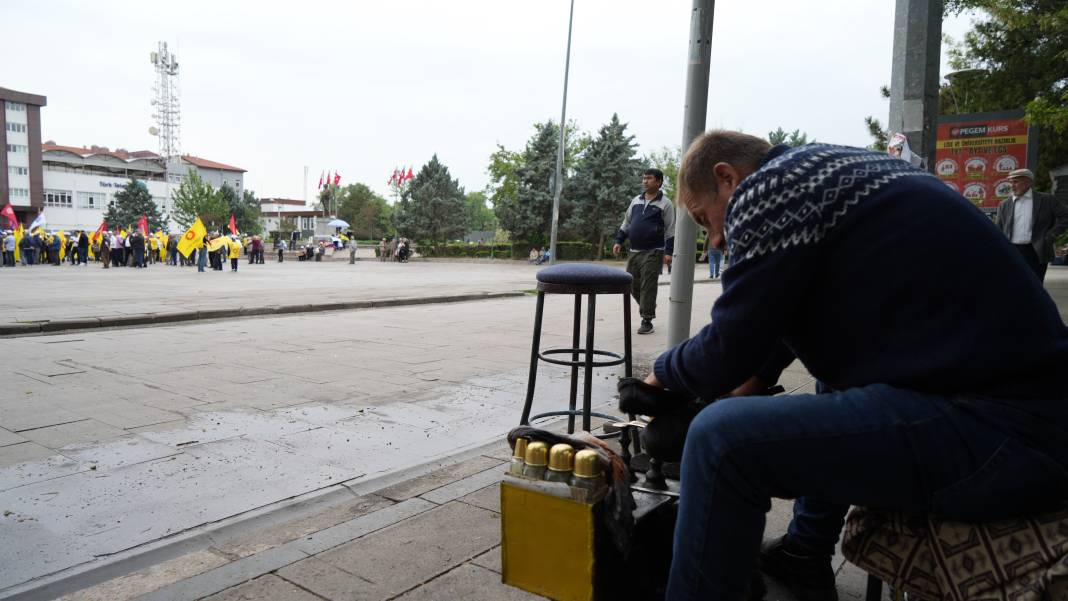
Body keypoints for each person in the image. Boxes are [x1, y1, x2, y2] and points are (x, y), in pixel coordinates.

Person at [626, 131, 1068, 601]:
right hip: (1032, 416)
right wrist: (748, 387)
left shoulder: (769, 187)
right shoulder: (833, 171)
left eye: (704, 218)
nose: (715, 236)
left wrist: (656, 382)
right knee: (831, 371)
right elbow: (785, 318)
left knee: (721, 441)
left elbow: (729, 344)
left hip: (1003, 433)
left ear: (727, 177)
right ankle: (804, 555)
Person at [612, 168, 676, 335]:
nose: (645, 181)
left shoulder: (665, 204)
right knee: (631, 284)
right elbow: (626, 223)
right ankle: (648, 305)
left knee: (648, 285)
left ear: (659, 182)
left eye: (649, 178)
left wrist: (669, 252)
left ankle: (647, 319)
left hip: (653, 251)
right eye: (644, 178)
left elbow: (671, 230)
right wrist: (619, 240)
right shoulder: (636, 201)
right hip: (635, 251)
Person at [994, 168, 1068, 282]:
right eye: (1011, 182)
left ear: (1028, 182)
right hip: (1013, 251)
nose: (1012, 186)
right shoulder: (1004, 205)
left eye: (1016, 182)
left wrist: (1051, 235)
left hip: (1036, 250)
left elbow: (1065, 217)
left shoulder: (1047, 200)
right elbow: (998, 230)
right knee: (1014, 284)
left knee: (1036, 285)